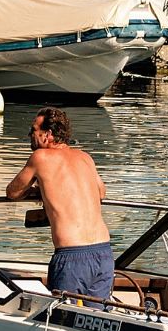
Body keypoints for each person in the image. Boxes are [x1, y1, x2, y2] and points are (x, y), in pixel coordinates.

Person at [6, 107, 113, 300]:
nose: (30, 135)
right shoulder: (85, 157)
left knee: (62, 320)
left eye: (33, 130)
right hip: (103, 252)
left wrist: (39, 191)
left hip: (72, 257)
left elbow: (13, 192)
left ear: (47, 135)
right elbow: (101, 193)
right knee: (96, 323)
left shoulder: (40, 157)